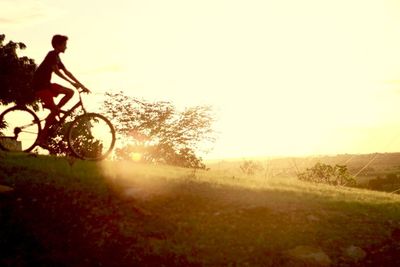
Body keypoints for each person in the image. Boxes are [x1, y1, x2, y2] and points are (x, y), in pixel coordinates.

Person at [32, 34, 90, 146]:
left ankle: (55, 110)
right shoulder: (52, 54)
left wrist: (81, 85)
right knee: (54, 111)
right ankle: (41, 139)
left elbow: (67, 72)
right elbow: (57, 71)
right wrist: (71, 82)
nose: (66, 47)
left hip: (47, 85)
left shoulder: (57, 57)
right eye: (64, 45)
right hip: (40, 86)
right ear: (58, 45)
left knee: (70, 92)